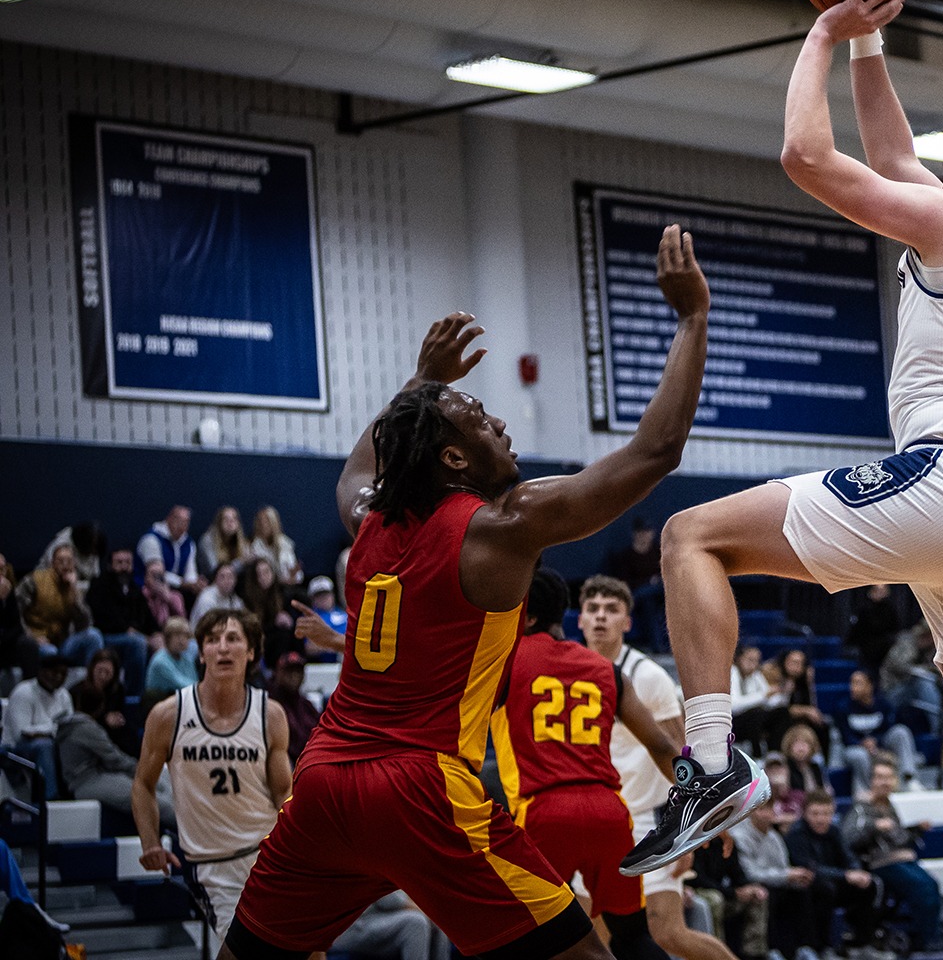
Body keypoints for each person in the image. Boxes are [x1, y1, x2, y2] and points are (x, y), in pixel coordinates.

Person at [624, 0, 943, 960]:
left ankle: (708, 763)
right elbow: (894, 152)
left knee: (693, 536)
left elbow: (806, 155)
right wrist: (870, 44)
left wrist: (824, 29)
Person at [219, 227, 708, 960]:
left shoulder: (368, 520)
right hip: (421, 786)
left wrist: (419, 383)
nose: (501, 422)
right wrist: (692, 320)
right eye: (480, 418)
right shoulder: (499, 527)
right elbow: (655, 452)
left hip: (324, 783)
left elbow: (353, 472)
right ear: (453, 456)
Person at [491, 568, 681, 960]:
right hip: (609, 813)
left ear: (524, 616)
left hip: (544, 813)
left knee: (513, 938)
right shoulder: (607, 670)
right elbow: (664, 746)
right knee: (633, 937)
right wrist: (706, 812)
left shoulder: (501, 664)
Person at [132, 609, 291, 942]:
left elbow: (283, 794)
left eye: (233, 639)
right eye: (212, 640)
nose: (222, 647)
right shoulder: (167, 715)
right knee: (247, 947)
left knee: (309, 946)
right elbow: (143, 785)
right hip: (212, 864)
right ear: (200, 653)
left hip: (269, 854)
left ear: (250, 653)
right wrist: (149, 842)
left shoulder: (270, 714)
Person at [575, 575, 697, 950]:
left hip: (647, 819)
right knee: (593, 937)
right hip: (592, 821)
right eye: (592, 609)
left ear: (628, 622)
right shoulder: (567, 672)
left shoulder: (648, 676)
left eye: (611, 610)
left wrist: (690, 834)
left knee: (669, 934)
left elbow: (682, 752)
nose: (600, 617)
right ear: (578, 620)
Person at [844, 758, 943, 959]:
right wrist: (874, 827)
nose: (884, 782)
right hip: (880, 862)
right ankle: (927, 941)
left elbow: (898, 837)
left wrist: (916, 829)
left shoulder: (889, 806)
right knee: (923, 886)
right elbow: (849, 838)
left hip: (902, 859)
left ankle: (931, 936)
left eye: (888, 778)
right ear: (871, 780)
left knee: (932, 883)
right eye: (879, 778)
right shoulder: (861, 807)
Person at [786, 790, 884, 960]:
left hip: (835, 881)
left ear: (832, 813)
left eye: (826, 814)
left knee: (870, 885)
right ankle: (822, 948)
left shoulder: (834, 831)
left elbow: (848, 856)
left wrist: (857, 871)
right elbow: (809, 868)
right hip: (808, 886)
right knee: (825, 890)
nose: (820, 819)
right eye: (815, 814)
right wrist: (846, 875)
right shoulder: (796, 834)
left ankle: (861, 944)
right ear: (805, 813)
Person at [730, 801, 824, 960]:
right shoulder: (739, 836)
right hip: (750, 884)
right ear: (751, 811)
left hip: (776, 882)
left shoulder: (774, 837)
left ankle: (803, 948)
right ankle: (771, 950)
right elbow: (749, 873)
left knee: (804, 890)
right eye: (761, 810)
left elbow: (784, 866)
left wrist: (793, 876)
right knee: (767, 894)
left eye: (769, 809)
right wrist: (786, 876)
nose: (766, 814)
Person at [20, 543, 105, 667]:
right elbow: (16, 613)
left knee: (94, 635)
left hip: (62, 643)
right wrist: (31, 637)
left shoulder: (74, 588)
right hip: (36, 640)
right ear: (52, 563)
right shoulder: (34, 580)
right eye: (60, 561)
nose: (65, 565)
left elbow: (85, 624)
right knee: (50, 652)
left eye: (69, 561)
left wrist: (74, 593)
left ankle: (91, 682)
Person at [836, 668, 918, 796]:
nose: (852, 687)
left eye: (858, 683)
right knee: (860, 755)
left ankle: (909, 778)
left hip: (879, 744)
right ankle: (866, 792)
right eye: (851, 683)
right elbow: (845, 736)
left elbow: (888, 728)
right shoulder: (843, 707)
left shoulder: (884, 705)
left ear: (870, 686)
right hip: (854, 748)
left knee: (901, 732)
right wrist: (862, 743)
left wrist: (876, 741)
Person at [86, 549, 156, 694]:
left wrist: (157, 633)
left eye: (127, 563)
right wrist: (130, 631)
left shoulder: (134, 588)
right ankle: (133, 695)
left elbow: (147, 617)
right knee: (138, 643)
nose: (124, 567)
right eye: (119, 563)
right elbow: (102, 618)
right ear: (110, 565)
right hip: (107, 636)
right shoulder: (99, 585)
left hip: (134, 636)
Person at [690, 835, 769, 960]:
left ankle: (754, 954)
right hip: (698, 891)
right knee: (715, 899)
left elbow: (737, 873)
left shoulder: (726, 841)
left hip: (724, 892)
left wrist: (750, 887)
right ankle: (716, 954)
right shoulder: (694, 841)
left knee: (757, 896)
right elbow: (697, 879)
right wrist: (733, 892)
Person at [2, 656, 71, 797]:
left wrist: (46, 731)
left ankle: (72, 793)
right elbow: (21, 734)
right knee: (43, 745)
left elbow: (69, 725)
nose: (58, 677)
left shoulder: (64, 695)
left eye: (62, 674)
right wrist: (52, 729)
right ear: (41, 672)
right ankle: (49, 799)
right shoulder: (23, 692)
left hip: (53, 743)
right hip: (12, 750)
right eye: (54, 672)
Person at [606, 518, 665, 651]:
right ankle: (657, 646)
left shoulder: (658, 552)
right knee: (647, 601)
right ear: (635, 534)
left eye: (647, 531)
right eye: (641, 532)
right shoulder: (626, 556)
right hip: (639, 596)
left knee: (652, 593)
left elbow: (666, 575)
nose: (644, 535)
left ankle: (661, 646)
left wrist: (654, 582)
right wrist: (648, 582)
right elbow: (625, 582)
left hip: (661, 593)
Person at [70, 648, 138, 756]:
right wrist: (105, 719)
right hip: (86, 729)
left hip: (111, 729)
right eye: (99, 671)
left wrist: (117, 718)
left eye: (107, 672)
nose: (102, 676)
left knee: (128, 733)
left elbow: (120, 711)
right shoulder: (78, 690)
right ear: (92, 669)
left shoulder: (118, 690)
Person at [764, 650, 830, 756]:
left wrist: (810, 684)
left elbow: (810, 705)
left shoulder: (803, 682)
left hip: (798, 721)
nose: (796, 667)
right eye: (793, 662)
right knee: (783, 716)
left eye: (800, 663)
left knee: (823, 724)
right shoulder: (772, 675)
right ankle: (776, 755)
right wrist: (804, 710)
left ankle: (820, 763)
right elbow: (774, 706)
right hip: (774, 719)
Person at [267, 652, 323, 764]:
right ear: (278, 672)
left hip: (310, 761)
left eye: (298, 671)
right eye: (289, 671)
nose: (294, 675)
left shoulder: (306, 706)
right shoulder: (269, 704)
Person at [136, 505, 199, 589]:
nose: (182, 526)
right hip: (147, 589)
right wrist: (182, 583)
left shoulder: (189, 543)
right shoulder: (151, 539)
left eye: (186, 522)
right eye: (178, 520)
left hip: (178, 589)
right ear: (169, 519)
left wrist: (195, 584)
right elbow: (156, 574)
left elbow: (190, 572)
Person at [846, 584, 900, 677]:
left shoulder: (890, 609)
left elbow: (895, 628)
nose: (881, 593)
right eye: (878, 590)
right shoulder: (864, 608)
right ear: (871, 591)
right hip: (866, 649)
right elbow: (857, 630)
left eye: (883, 590)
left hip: (885, 651)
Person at [729, 645, 775, 755]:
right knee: (756, 714)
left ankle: (775, 753)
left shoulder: (756, 675)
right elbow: (734, 705)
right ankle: (757, 755)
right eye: (750, 659)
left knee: (781, 712)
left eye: (757, 661)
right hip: (732, 722)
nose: (753, 664)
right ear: (739, 658)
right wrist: (763, 696)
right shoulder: (732, 672)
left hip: (750, 719)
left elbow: (771, 701)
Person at [144, 617, 199, 703]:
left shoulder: (186, 659)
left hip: (178, 700)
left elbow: (194, 681)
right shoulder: (160, 661)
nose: (182, 640)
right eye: (177, 635)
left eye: (185, 636)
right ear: (168, 638)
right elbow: (182, 685)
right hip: (159, 703)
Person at [294, 577, 348, 662]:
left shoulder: (345, 614)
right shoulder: (309, 618)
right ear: (312, 599)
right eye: (319, 596)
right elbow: (309, 648)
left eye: (326, 594)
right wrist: (335, 644)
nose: (324, 598)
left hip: (344, 661)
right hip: (320, 665)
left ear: (332, 595)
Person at [249, 506, 301, 587]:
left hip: (286, 587)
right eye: (260, 521)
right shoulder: (254, 547)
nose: (263, 525)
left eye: (267, 521)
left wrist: (293, 576)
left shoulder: (285, 543)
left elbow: (297, 576)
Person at [198, 506, 250, 580]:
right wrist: (241, 562)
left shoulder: (240, 541)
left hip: (234, 585)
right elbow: (215, 571)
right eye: (226, 519)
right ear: (219, 523)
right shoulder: (207, 540)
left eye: (234, 519)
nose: (230, 522)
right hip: (211, 584)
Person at [191, 562, 245, 627]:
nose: (227, 580)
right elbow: (206, 625)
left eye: (230, 577)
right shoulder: (206, 598)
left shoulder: (235, 599)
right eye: (222, 577)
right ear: (215, 579)